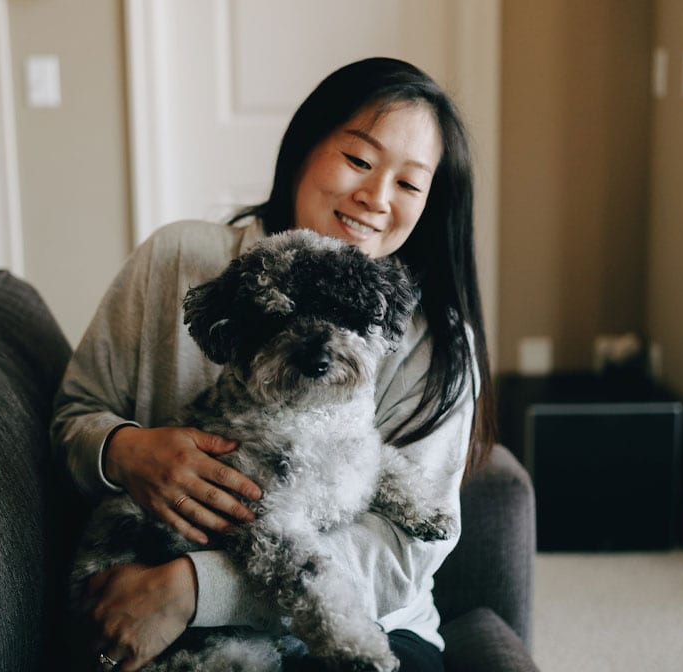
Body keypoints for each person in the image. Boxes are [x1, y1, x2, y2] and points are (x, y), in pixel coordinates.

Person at [52, 57, 495, 672]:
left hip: (371, 624)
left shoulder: (437, 341)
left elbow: (403, 554)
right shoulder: (177, 259)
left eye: (410, 184)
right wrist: (126, 451)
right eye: (359, 161)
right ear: (304, 148)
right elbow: (75, 413)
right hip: (148, 601)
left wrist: (194, 590)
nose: (375, 197)